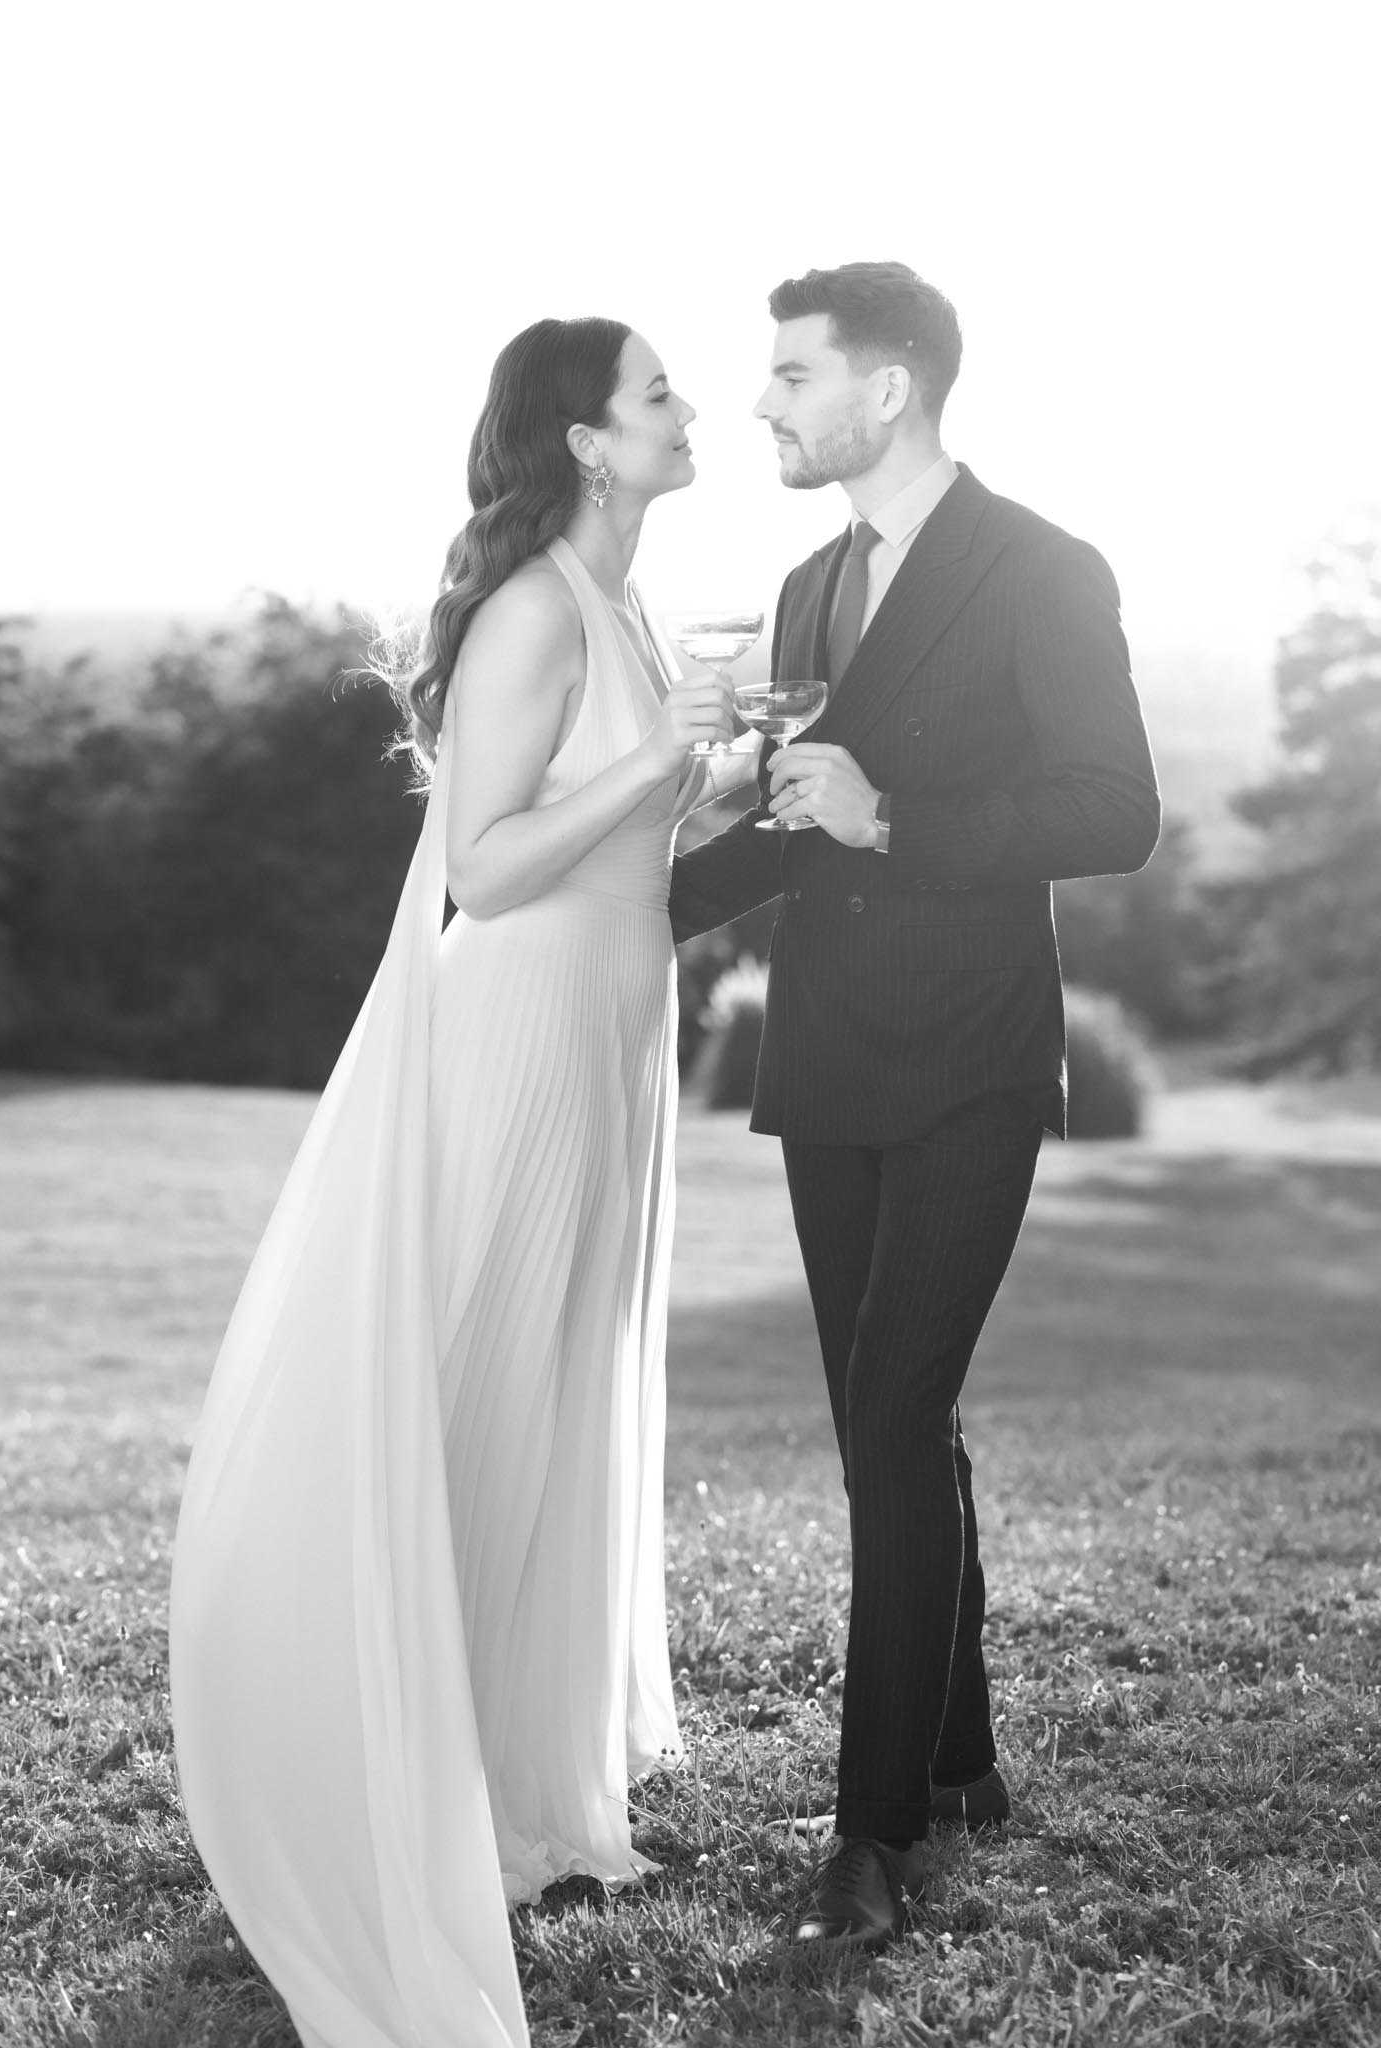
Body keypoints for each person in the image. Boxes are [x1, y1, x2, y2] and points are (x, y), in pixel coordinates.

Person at [169, 317, 748, 2047]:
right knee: (491, 1381)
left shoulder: (630, 603)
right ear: (583, 438)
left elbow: (627, 836)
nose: (689, 409)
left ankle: (508, 1786)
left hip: (616, 1028)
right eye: (659, 394)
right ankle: (403, 1783)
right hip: (520, 1032)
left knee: (569, 1387)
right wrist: (666, 765)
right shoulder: (528, 612)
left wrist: (728, 788)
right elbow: (486, 873)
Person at [669, 262, 1161, 1951]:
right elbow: (796, 820)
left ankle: (868, 1838)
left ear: (884, 392)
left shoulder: (1042, 568)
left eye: (792, 377)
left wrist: (896, 822)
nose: (763, 407)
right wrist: (591, 916)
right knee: (894, 1420)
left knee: (890, 1422)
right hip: (826, 1061)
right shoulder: (810, 587)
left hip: (970, 1059)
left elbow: (1116, 810)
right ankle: (962, 1764)